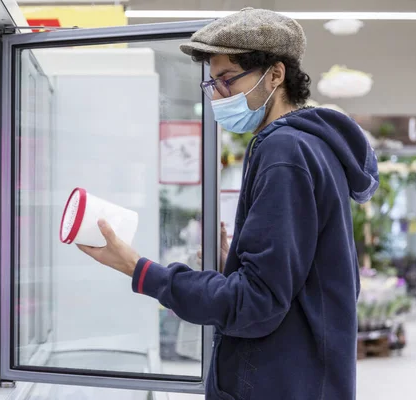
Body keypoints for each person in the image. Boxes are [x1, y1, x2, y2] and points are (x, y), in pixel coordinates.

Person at [78, 7, 379, 400]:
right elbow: (303, 279)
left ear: (275, 74)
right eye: (213, 83)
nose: (218, 95)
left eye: (227, 80)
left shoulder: (285, 151)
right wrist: (233, 261)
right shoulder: (311, 147)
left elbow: (256, 303)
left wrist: (141, 270)